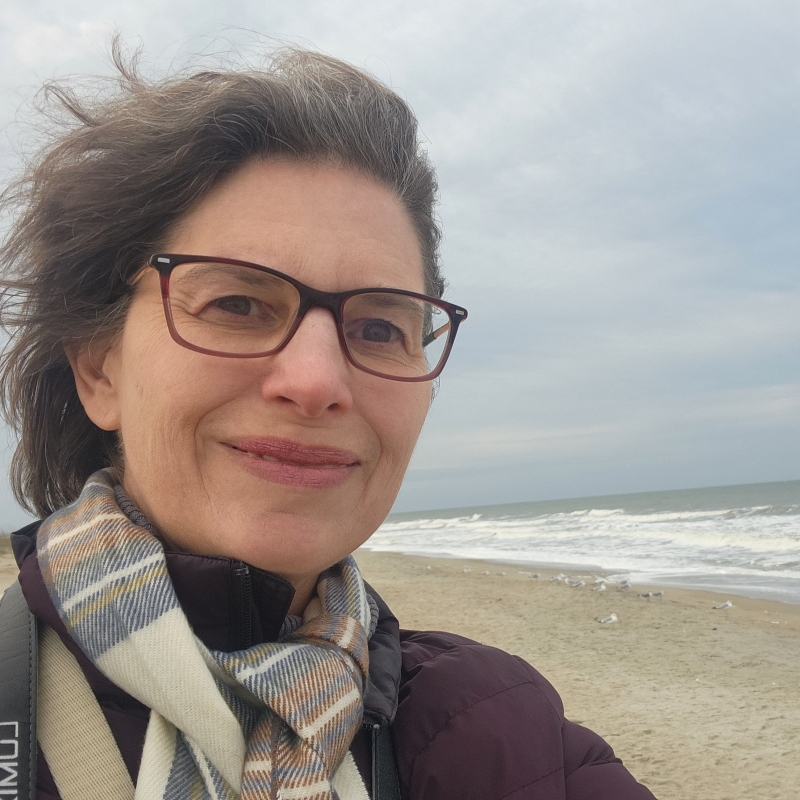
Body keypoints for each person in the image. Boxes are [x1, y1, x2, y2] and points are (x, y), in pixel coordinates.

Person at [0, 42, 657, 800]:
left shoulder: (501, 734)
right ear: (98, 369)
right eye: (236, 305)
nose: (317, 382)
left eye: (380, 328)